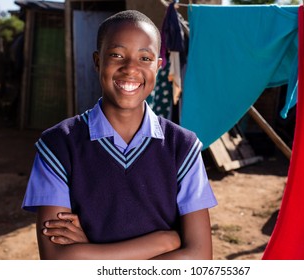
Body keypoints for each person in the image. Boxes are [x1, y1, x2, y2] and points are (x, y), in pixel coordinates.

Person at [22, 10, 217, 260]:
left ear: (158, 67)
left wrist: (91, 252)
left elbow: (199, 259)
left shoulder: (183, 147)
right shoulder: (58, 145)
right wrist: (164, 241)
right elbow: (57, 260)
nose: (130, 68)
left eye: (145, 58)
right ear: (97, 61)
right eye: (116, 55)